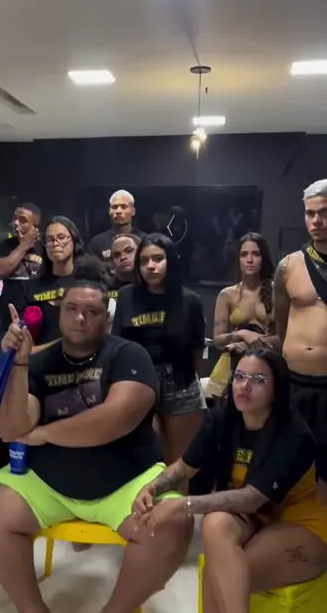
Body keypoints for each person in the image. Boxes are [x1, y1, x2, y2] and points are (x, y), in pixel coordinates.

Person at [0, 278, 193, 613]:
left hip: (126, 480)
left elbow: (114, 419)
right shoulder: (39, 362)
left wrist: (43, 434)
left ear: (106, 317)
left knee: (174, 523)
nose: (80, 318)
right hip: (48, 482)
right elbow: (11, 426)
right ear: (60, 311)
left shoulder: (129, 355)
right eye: (72, 309)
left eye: (92, 311)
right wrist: (18, 364)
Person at [132, 349, 327, 613]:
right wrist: (151, 488)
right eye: (239, 377)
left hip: (299, 526)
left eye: (258, 380)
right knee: (217, 526)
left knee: (218, 575)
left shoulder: (295, 433)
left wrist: (183, 506)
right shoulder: (222, 419)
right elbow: (183, 468)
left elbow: (253, 498)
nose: (244, 386)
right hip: (251, 520)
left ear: (276, 390)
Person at [112, 233, 206, 465]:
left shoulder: (190, 300)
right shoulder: (126, 296)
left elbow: (197, 349)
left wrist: (186, 377)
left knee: (180, 463)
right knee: (147, 461)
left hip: (180, 383)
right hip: (139, 383)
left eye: (157, 259)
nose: (150, 266)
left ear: (170, 261)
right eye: (144, 261)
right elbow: (117, 345)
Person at [274, 179, 327, 506]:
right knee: (289, 459)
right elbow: (281, 322)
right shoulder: (288, 266)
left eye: (324, 212)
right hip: (296, 382)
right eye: (310, 213)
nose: (316, 221)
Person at [207, 232, 275, 402]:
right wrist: (242, 334)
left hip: (266, 364)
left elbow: (284, 338)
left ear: (264, 258)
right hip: (230, 366)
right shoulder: (227, 295)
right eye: (244, 254)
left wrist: (248, 345)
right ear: (238, 259)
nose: (249, 260)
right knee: (226, 415)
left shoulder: (277, 292)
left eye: (256, 254)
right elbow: (217, 340)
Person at [0, 203, 42, 374]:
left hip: (40, 328)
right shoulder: (3, 247)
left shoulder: (46, 249)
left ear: (35, 227)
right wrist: (23, 246)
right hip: (7, 324)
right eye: (15, 219)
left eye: (23, 220)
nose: (16, 223)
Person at [24, 216, 88, 348]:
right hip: (41, 357)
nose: (55, 243)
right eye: (49, 239)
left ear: (73, 241)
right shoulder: (34, 285)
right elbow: (26, 343)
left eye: (61, 237)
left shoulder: (87, 282)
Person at [88, 190, 144, 264]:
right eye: (114, 207)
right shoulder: (97, 243)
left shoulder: (144, 240)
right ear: (109, 211)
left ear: (133, 211)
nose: (118, 211)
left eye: (123, 207)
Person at [108, 233, 141, 299]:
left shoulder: (153, 283)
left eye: (129, 251)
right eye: (117, 255)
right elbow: (112, 306)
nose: (123, 257)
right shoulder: (111, 290)